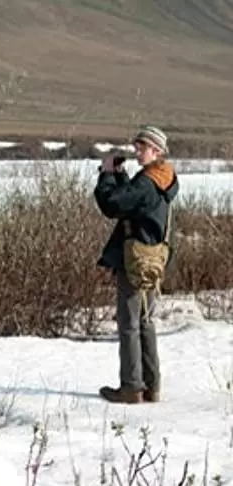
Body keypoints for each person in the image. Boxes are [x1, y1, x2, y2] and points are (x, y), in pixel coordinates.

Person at [93, 125, 179, 404]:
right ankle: (151, 386)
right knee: (145, 321)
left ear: (156, 150)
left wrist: (107, 174)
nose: (136, 151)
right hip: (155, 258)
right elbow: (133, 202)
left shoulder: (147, 181)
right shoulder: (164, 177)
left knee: (129, 323)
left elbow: (113, 205)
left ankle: (131, 387)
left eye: (141, 147)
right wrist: (121, 177)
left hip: (135, 258)